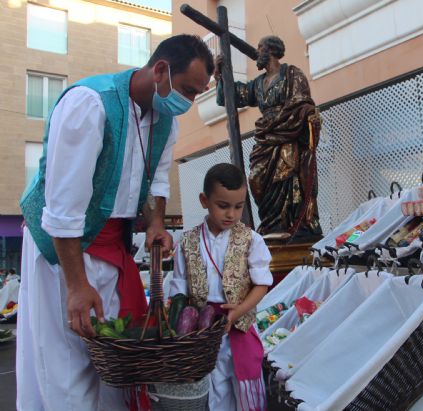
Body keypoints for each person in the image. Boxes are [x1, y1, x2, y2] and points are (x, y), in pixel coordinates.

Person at [17, 34, 213, 411]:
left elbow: (156, 181)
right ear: (160, 71)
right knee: (67, 362)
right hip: (63, 250)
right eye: (188, 90)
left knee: (114, 362)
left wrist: (156, 222)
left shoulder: (165, 120)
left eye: (196, 95)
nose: (188, 103)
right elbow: (63, 211)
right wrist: (76, 286)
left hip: (113, 249)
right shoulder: (88, 104)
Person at [169, 163, 273, 411]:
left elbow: (262, 284)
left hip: (238, 325)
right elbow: (179, 289)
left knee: (246, 386)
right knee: (212, 388)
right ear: (204, 200)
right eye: (223, 206)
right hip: (202, 330)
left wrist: (239, 310)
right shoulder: (188, 241)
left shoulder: (251, 240)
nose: (231, 215)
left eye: (238, 207)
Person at [215, 35, 323, 241]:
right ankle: (271, 224)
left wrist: (283, 120)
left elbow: (302, 103)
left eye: (260, 48)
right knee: (256, 178)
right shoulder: (258, 84)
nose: (257, 53)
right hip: (265, 139)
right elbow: (233, 95)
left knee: (286, 176)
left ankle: (290, 223)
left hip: (287, 135)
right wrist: (220, 75)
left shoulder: (292, 74)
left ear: (271, 51)